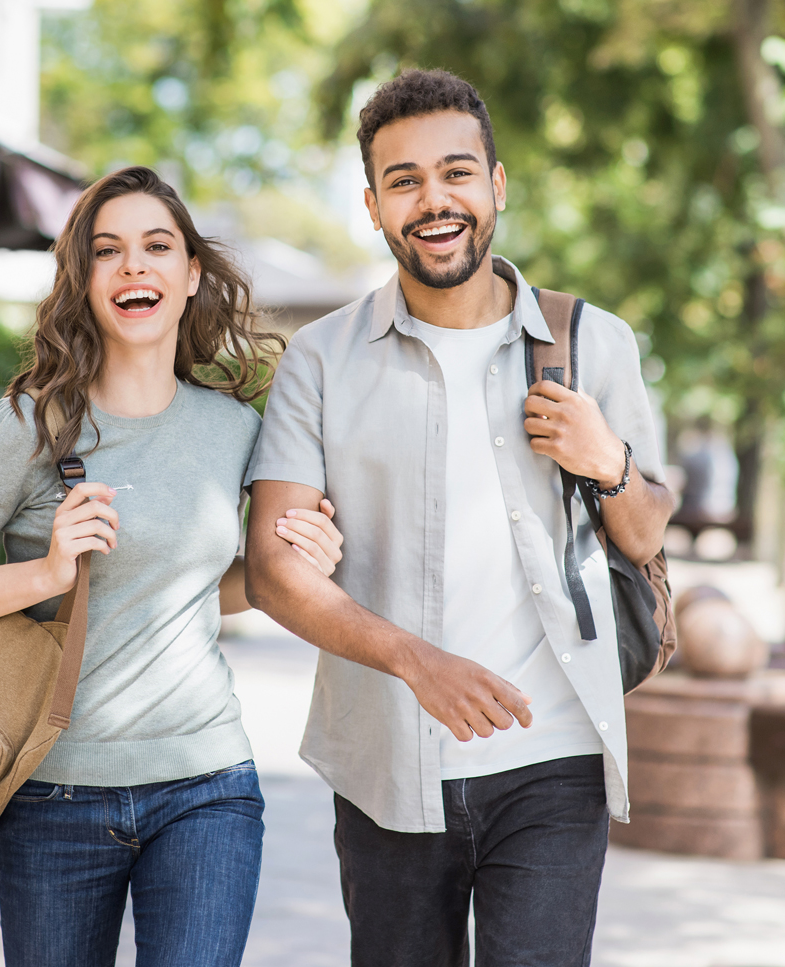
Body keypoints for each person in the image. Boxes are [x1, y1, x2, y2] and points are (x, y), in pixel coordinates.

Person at [245, 70, 674, 967]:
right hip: (385, 762)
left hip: (554, 754)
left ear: (496, 185)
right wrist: (417, 662)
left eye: (455, 172)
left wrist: (608, 462)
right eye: (403, 181)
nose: (433, 200)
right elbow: (273, 573)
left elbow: (644, 534)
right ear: (372, 205)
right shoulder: (319, 359)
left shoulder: (592, 341)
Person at [0, 166, 344, 967]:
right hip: (52, 795)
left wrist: (297, 564)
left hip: (207, 783)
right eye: (107, 250)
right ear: (84, 280)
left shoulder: (234, 429)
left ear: (190, 274)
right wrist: (45, 573)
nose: (133, 265)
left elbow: (199, 586)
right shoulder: (27, 426)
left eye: (157, 246)